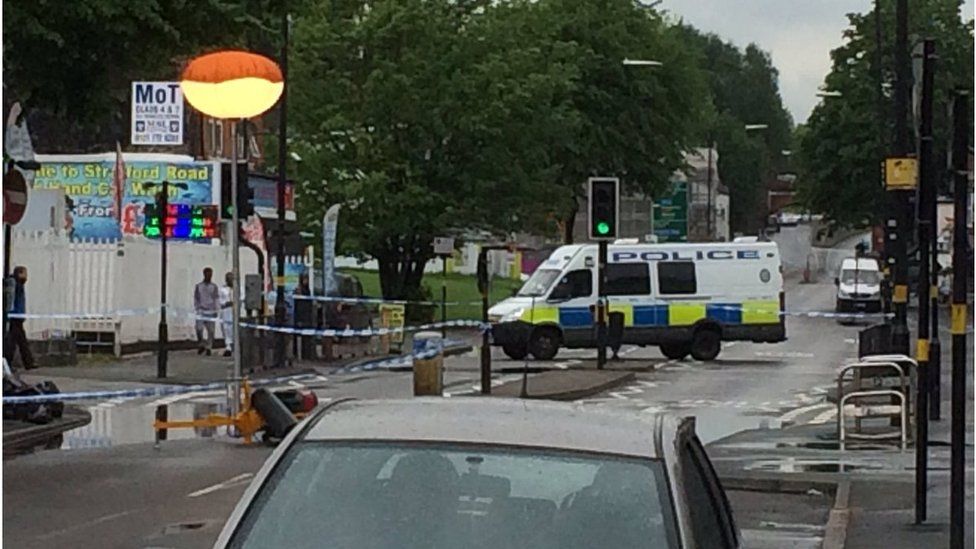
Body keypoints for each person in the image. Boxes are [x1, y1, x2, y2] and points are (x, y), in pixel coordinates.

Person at [4, 266, 35, 370]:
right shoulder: (15, 284)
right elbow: (11, 300)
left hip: (18, 316)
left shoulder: (19, 285)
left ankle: (28, 363)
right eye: (25, 273)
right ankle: (9, 363)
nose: (26, 276)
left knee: (20, 342)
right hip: (14, 317)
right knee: (14, 343)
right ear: (19, 273)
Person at [194, 267, 220, 356]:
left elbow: (216, 298)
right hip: (201, 310)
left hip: (210, 310)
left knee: (211, 331)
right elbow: (196, 297)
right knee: (199, 329)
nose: (209, 276)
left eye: (210, 274)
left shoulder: (214, 287)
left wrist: (216, 309)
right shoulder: (199, 286)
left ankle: (209, 347)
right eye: (207, 274)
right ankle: (201, 343)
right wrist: (197, 308)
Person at [219, 272, 237, 358]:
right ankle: (228, 347)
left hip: (235, 312)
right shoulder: (223, 289)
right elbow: (221, 301)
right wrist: (227, 303)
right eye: (229, 279)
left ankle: (235, 346)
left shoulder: (238, 288)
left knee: (234, 329)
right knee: (226, 329)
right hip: (226, 311)